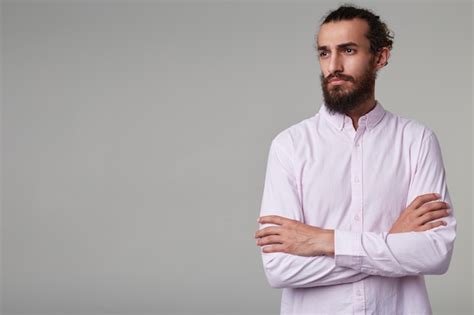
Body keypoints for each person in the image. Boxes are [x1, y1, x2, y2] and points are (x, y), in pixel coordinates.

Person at [254, 5, 456, 315]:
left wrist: (324, 241)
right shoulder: (289, 146)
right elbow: (280, 269)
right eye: (324, 53)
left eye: (348, 50)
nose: (333, 65)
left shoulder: (417, 141)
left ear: (380, 57)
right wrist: (392, 242)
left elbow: (435, 253)